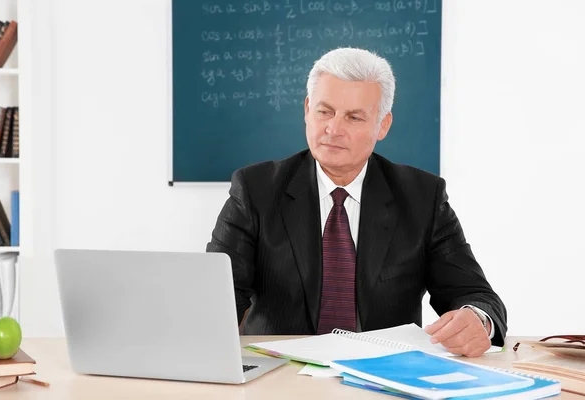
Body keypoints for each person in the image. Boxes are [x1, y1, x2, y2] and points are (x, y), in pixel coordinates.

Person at [206, 47, 507, 357]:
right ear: (307, 109)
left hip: (382, 376)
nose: (333, 129)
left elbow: (475, 295)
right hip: (281, 372)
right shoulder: (256, 190)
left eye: (353, 117)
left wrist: (478, 320)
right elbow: (216, 299)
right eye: (324, 111)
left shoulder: (422, 196)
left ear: (383, 124)